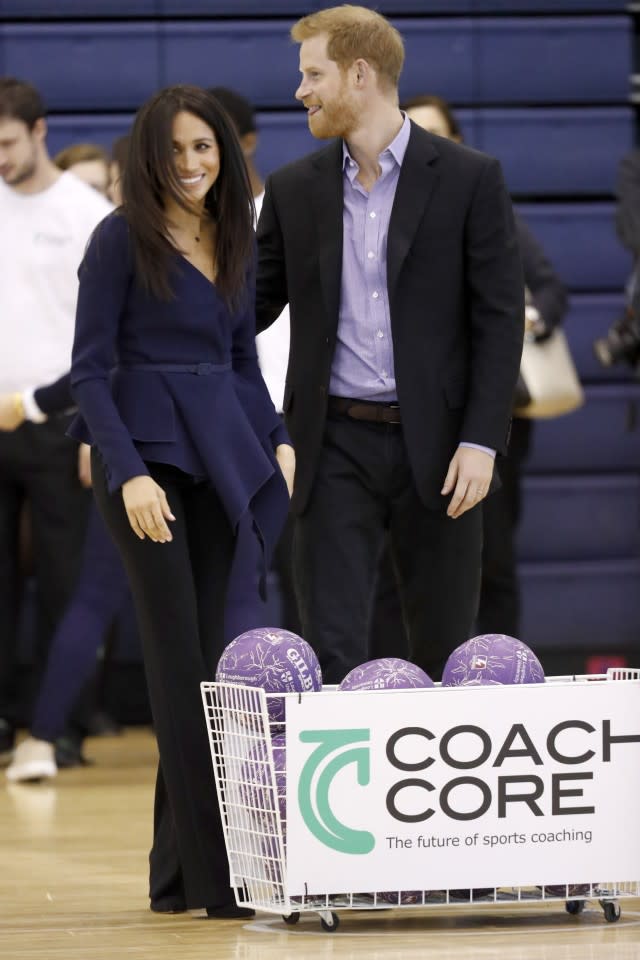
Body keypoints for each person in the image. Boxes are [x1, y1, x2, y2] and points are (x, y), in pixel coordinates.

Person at [69, 84, 292, 917]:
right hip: (147, 466)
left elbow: (243, 363)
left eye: (205, 148)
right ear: (147, 156)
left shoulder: (235, 232)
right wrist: (127, 473)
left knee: (210, 669)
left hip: (225, 459)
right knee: (180, 670)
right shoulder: (118, 238)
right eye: (175, 150)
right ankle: (223, 879)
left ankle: (175, 878)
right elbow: (90, 370)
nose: (192, 165)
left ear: (226, 153)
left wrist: (277, 438)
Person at [256, 6, 524, 684]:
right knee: (332, 646)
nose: (301, 91)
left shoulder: (470, 178)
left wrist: (482, 439)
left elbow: (499, 320)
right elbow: (247, 308)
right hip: (334, 441)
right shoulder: (292, 189)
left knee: (443, 646)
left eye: (312, 74)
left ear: (360, 73)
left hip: (440, 447)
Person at [398, 93, 568, 640]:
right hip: (412, 416)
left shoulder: (488, 205)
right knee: (410, 560)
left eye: (438, 134)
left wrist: (518, 319)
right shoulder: (379, 215)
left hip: (493, 412)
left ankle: (502, 677)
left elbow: (548, 290)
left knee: (493, 553)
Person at [0, 77, 112, 763]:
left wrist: (94, 425)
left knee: (66, 578)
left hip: (58, 415)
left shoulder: (86, 212)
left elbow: (105, 332)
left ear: (40, 132)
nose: (0, 156)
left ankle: (57, 723)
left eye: (7, 142)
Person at [208, 86, 301, 638]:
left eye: (217, 141)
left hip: (296, 414)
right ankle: (232, 712)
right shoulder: (191, 232)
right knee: (234, 575)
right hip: (225, 421)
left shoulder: (291, 209)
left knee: (304, 572)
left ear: (247, 141)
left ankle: (308, 707)